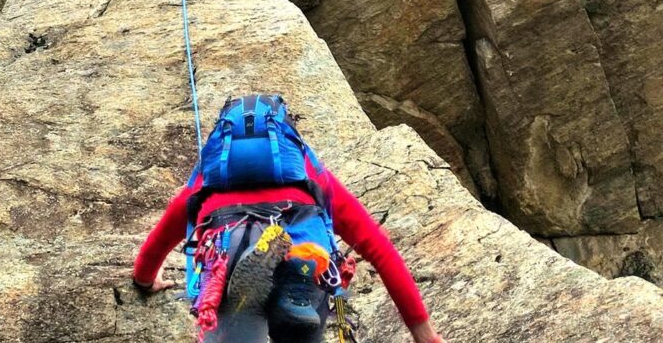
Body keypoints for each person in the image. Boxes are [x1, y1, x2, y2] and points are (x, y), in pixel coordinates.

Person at [133, 93, 446, 343]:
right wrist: (424, 333)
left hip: (227, 249)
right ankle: (292, 278)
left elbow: (156, 245)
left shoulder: (206, 179)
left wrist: (145, 279)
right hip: (307, 250)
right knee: (305, 298)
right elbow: (378, 248)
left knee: (233, 315)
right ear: (287, 137)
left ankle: (251, 267)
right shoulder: (311, 173)